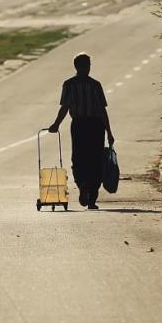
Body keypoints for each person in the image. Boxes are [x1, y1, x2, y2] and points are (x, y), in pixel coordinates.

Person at [48, 53, 115, 209]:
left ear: (76, 67)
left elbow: (65, 107)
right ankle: (92, 197)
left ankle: (82, 184)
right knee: (96, 159)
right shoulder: (95, 85)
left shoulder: (69, 84)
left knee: (79, 158)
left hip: (79, 125)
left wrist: (56, 124)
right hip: (96, 126)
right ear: (86, 66)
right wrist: (109, 133)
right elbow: (102, 111)